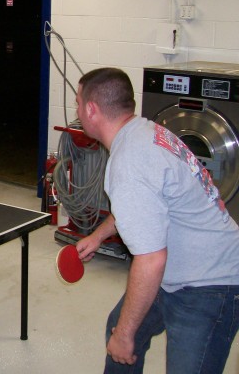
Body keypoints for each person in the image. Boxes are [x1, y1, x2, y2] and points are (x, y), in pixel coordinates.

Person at [74, 67, 239, 374]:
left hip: (212, 283)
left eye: (77, 103)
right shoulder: (145, 130)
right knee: (120, 323)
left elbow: (150, 260)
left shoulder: (129, 162)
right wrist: (98, 235)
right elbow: (148, 206)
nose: (77, 110)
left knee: (127, 334)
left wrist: (124, 335)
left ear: (91, 109)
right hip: (181, 267)